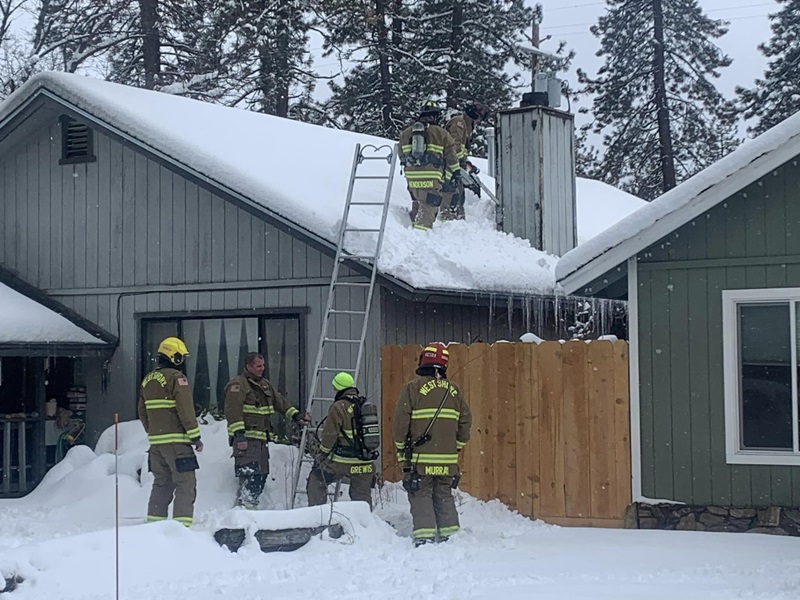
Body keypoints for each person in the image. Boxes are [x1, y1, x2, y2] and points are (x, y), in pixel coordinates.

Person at [392, 342, 472, 547]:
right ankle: (451, 536)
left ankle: (425, 537)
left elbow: (400, 423)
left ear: (423, 362)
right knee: (444, 495)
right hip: (447, 461)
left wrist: (402, 451)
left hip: (421, 459)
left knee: (421, 494)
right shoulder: (454, 391)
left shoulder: (412, 388)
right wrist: (456, 446)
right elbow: (466, 420)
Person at [224, 352, 304, 509]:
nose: (262, 369)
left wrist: (295, 415)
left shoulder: (265, 385)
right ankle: (244, 508)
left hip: (261, 442)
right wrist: (239, 435)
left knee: (261, 474)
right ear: (248, 366)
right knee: (250, 474)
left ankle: (250, 505)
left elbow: (280, 402)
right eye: (258, 366)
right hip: (246, 441)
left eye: (263, 366)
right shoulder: (238, 385)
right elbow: (232, 411)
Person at [138, 336, 203, 527]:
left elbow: (142, 411)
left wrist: (153, 432)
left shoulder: (148, 380)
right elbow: (185, 409)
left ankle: (153, 525)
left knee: (162, 484)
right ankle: (181, 529)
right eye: (181, 357)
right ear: (174, 357)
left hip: (156, 444)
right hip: (177, 443)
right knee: (185, 484)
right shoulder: (177, 379)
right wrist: (195, 436)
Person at [306, 372, 378, 509]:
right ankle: (366, 523)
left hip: (342, 461)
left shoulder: (338, 406)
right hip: (365, 462)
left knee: (317, 481)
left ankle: (317, 517)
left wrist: (322, 454)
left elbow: (330, 434)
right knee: (362, 495)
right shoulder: (364, 405)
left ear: (338, 389)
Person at [397, 100, 461, 230]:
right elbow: (451, 156)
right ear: (436, 115)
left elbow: (401, 154)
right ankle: (421, 234)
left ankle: (411, 229)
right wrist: (456, 172)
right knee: (429, 205)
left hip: (411, 177)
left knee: (418, 201)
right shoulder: (441, 133)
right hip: (431, 177)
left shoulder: (406, 133)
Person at [440, 102, 492, 221]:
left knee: (458, 192)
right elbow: (454, 146)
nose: (478, 122)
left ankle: (457, 218)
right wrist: (461, 162)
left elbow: (461, 150)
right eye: (478, 119)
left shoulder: (466, 126)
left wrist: (467, 163)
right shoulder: (459, 123)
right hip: (448, 164)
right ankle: (448, 218)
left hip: (455, 164)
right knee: (452, 191)